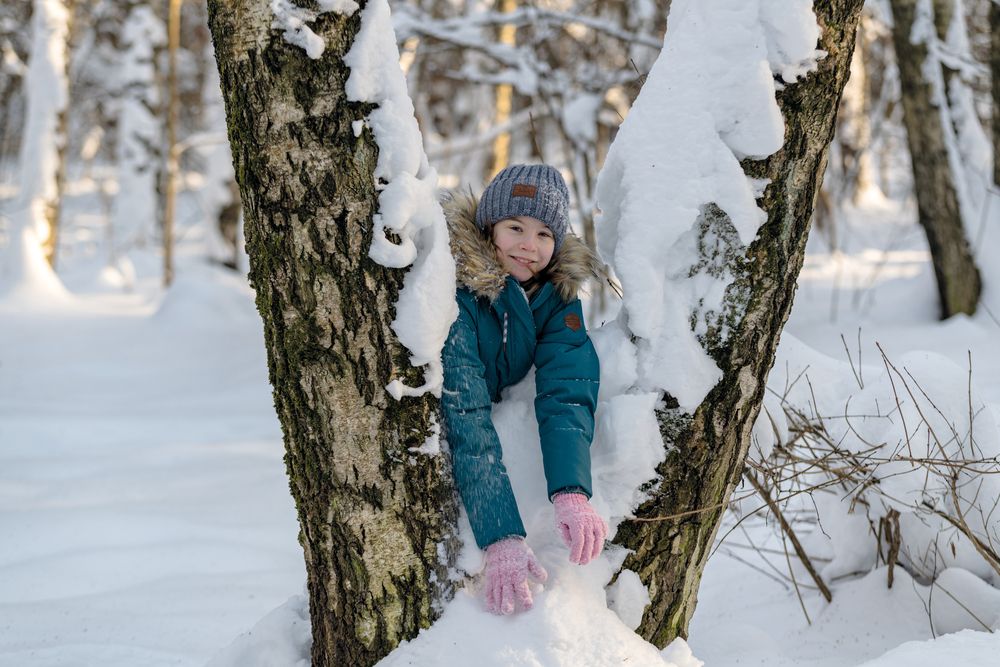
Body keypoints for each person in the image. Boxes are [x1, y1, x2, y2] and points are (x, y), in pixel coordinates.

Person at [440, 164, 609, 616]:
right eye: (515, 227)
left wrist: (572, 492)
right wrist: (501, 536)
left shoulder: (556, 298)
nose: (529, 246)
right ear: (489, 226)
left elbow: (567, 392)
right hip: (455, 433)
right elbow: (466, 414)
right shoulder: (458, 295)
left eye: (544, 234)